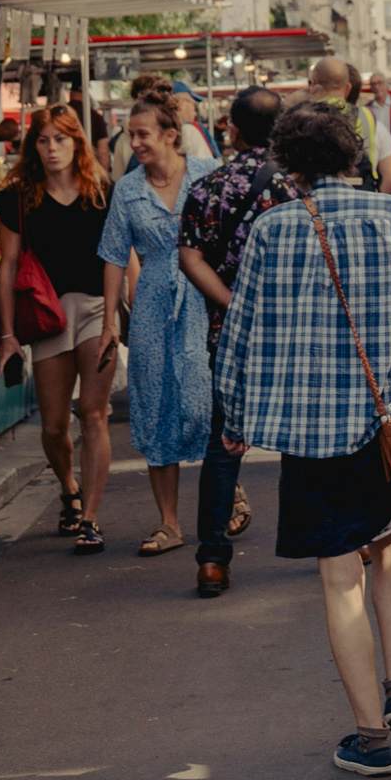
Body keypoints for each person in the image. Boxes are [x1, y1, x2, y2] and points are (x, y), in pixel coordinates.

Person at [215, 100, 391, 776]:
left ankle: (370, 733)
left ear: (289, 165)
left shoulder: (271, 230)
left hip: (310, 431)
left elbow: (240, 338)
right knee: (389, 554)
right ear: (353, 154)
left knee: (339, 578)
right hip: (386, 427)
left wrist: (235, 422)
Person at [173, 84, 290, 599]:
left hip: (229, 333)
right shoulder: (295, 188)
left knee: (225, 447)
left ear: (232, 128)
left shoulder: (208, 187)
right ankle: (328, 540)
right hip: (292, 332)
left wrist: (231, 303)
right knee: (308, 441)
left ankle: (213, 560)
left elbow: (189, 257)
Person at [0, 104, 120, 551]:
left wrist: (114, 317)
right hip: (46, 314)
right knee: (52, 425)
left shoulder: (102, 191)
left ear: (77, 143)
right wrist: (7, 334)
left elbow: (117, 258)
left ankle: (89, 516)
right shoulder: (18, 197)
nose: (52, 149)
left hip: (93, 307)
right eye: (44, 141)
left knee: (93, 412)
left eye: (60, 140)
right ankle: (68, 487)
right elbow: (7, 267)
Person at [100, 91, 209, 556]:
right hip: (151, 305)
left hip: (206, 299)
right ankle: (169, 522)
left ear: (171, 135)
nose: (136, 143)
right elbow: (112, 256)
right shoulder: (127, 189)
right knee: (155, 403)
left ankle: (228, 490)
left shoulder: (206, 177)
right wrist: (110, 321)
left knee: (206, 400)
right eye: (131, 135)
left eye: (144, 134)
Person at [305, 56, 391, 192]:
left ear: (314, 85)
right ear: (348, 88)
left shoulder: (304, 117)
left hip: (315, 203)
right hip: (363, 193)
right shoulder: (369, 119)